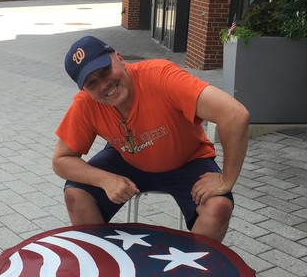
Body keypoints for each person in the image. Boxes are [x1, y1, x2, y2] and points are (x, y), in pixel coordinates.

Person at [52, 36, 249, 243]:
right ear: (85, 90)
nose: (104, 85)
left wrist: (227, 179)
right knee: (76, 194)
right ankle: (101, 264)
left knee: (218, 207)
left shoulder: (161, 76)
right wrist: (105, 179)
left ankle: (188, 270)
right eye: (92, 83)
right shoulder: (85, 104)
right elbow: (60, 160)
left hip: (187, 159)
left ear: (119, 58)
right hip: (128, 157)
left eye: (105, 71)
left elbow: (235, 115)